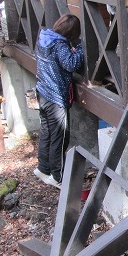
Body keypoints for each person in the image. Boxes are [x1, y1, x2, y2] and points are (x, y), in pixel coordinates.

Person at [33, 14, 84, 189]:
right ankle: (58, 177)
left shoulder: (44, 38)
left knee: (47, 133)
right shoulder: (60, 45)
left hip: (42, 92)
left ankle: (43, 168)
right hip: (55, 98)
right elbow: (71, 65)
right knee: (60, 138)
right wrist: (81, 49)